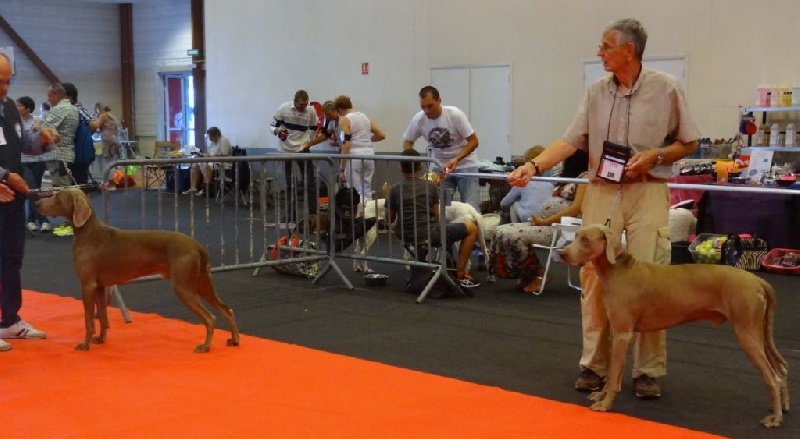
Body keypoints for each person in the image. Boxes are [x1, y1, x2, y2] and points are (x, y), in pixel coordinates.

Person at [508, 18, 700, 399]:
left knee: (651, 280)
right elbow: (569, 141)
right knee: (594, 278)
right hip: (601, 189)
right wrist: (533, 166)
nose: (599, 53)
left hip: (648, 191)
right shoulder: (595, 92)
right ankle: (593, 366)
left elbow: (690, 142)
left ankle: (647, 371)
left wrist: (656, 155)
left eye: (605, 46)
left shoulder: (667, 88)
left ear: (629, 50)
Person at [0, 53, 60, 350]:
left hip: (12, 195)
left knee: (12, 258)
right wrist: (3, 176)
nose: (4, 88)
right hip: (6, 184)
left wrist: (43, 139)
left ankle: (9, 320)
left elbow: (24, 144)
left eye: (7, 81)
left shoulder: (10, 106)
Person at [491, 149, 588, 293]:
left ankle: (539, 273)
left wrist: (545, 221)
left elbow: (575, 209)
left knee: (511, 235)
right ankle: (527, 274)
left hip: (559, 228)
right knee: (499, 231)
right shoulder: (566, 177)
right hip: (545, 223)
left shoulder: (585, 178)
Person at [385, 149, 480, 289]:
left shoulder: (394, 189)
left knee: (428, 234)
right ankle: (461, 273)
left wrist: (387, 196)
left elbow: (389, 219)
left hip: (404, 235)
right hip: (428, 234)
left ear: (400, 168)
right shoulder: (430, 186)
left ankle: (422, 268)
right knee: (472, 227)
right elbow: (437, 216)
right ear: (421, 166)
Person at [403, 86, 480, 209]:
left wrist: (457, 159)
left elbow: (474, 141)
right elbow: (408, 141)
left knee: (471, 207)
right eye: (423, 107)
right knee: (441, 209)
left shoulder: (455, 115)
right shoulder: (419, 119)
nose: (426, 111)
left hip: (466, 165)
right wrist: (413, 163)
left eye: (430, 106)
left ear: (439, 101)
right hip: (440, 168)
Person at [272, 90, 320, 220]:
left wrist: (308, 142)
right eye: (301, 105)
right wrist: (279, 132)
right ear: (294, 101)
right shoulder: (283, 108)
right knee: (289, 184)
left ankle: (313, 214)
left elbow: (314, 128)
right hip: (286, 150)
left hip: (303, 149)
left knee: (309, 182)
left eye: (305, 104)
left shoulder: (311, 111)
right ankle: (290, 216)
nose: (303, 107)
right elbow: (272, 126)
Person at [41, 82, 79, 237]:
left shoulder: (60, 109)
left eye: (50, 95)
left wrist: (37, 125)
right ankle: (70, 221)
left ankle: (70, 223)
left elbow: (43, 128)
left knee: (63, 191)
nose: (48, 99)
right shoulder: (73, 108)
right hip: (66, 154)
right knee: (64, 189)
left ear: (57, 95)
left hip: (59, 155)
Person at [334, 95, 385, 202]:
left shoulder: (345, 119)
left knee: (353, 190)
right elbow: (381, 135)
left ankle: (356, 211)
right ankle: (368, 210)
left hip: (354, 155)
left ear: (339, 109)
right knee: (367, 188)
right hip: (369, 154)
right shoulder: (365, 117)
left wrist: (342, 169)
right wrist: (368, 140)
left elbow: (346, 145)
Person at [17, 96, 56, 232]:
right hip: (23, 161)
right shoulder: (16, 122)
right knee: (32, 190)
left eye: (19, 105)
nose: (17, 108)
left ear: (28, 108)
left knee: (36, 190)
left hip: (38, 160)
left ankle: (31, 220)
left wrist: (40, 129)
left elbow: (45, 139)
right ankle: (44, 219)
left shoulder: (38, 120)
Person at [499, 146, 553, 223]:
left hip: (528, 218)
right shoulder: (550, 183)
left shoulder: (523, 181)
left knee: (514, 203)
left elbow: (504, 203)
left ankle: (515, 227)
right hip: (546, 218)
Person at [62, 82, 98, 185]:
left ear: (69, 97)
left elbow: (94, 125)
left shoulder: (76, 109)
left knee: (79, 183)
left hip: (77, 155)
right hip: (74, 154)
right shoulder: (69, 109)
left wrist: (84, 137)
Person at [183, 126, 232, 196]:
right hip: (212, 161)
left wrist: (210, 155)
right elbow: (210, 153)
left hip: (223, 163)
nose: (209, 138)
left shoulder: (224, 141)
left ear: (216, 135)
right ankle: (193, 188)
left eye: (211, 136)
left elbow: (224, 155)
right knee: (195, 165)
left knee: (206, 166)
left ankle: (205, 189)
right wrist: (203, 155)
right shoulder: (212, 143)